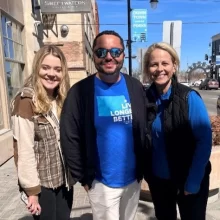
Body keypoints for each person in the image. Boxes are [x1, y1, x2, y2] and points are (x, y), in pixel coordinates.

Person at [60, 30, 146, 220]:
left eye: (115, 52)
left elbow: (144, 129)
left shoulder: (135, 87)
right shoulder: (80, 92)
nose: (109, 57)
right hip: (100, 183)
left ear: (123, 54)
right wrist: (82, 176)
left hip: (132, 180)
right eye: (101, 52)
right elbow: (69, 135)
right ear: (94, 54)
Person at [143, 42, 212, 220]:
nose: (160, 69)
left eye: (165, 63)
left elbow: (204, 141)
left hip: (188, 179)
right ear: (147, 68)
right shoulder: (144, 99)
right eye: (154, 64)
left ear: (174, 66)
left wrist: (194, 181)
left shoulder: (189, 97)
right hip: (159, 182)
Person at [11, 45, 73, 220]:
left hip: (64, 181)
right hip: (42, 185)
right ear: (37, 68)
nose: (51, 74)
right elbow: (24, 150)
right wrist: (31, 191)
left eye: (57, 69)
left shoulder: (61, 98)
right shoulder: (26, 100)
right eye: (45, 67)